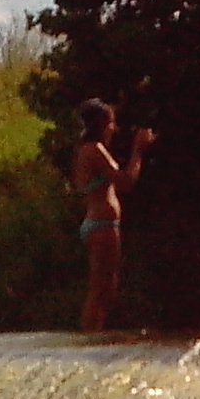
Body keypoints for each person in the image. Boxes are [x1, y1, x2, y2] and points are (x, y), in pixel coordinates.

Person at [70, 99, 153, 333]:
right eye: (110, 123)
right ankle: (89, 335)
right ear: (100, 124)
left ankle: (94, 331)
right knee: (100, 289)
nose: (113, 129)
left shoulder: (86, 150)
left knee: (106, 288)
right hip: (102, 225)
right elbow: (126, 181)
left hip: (100, 224)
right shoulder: (95, 150)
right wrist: (138, 150)